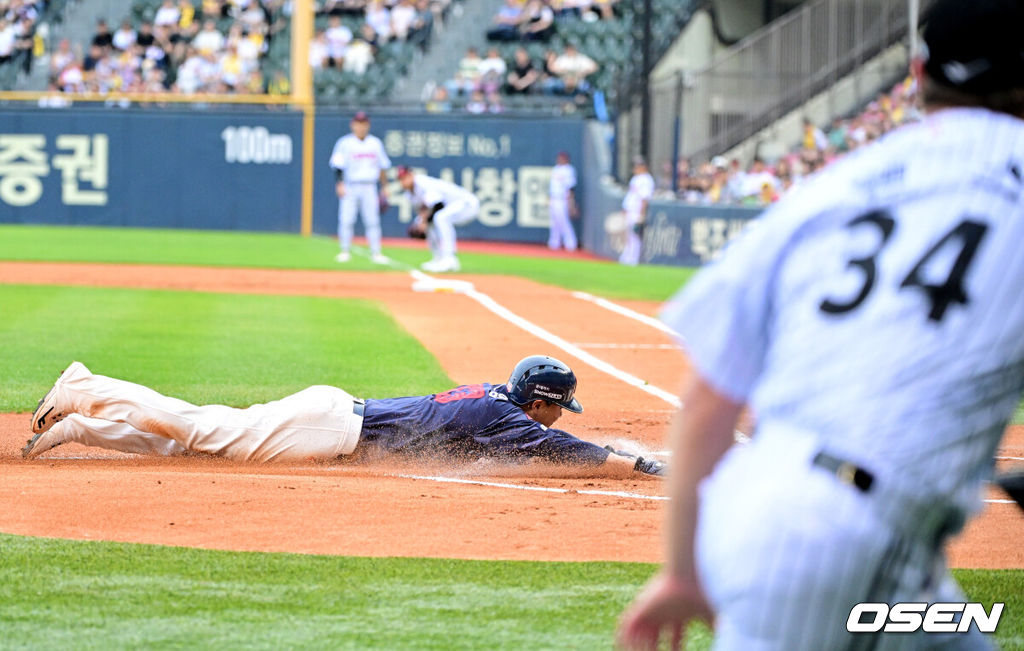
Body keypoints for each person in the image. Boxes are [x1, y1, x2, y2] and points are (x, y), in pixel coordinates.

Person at [618, 0, 1024, 648]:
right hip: (854, 531)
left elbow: (706, 401)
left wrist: (686, 571)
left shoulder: (841, 180)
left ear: (917, 73)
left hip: (768, 509)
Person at [23, 357, 666, 479]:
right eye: (559, 407)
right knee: (196, 429)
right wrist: (637, 462)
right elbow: (571, 453)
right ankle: (87, 389)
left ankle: (85, 428)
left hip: (332, 417)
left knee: (190, 449)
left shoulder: (496, 402)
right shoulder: (509, 420)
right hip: (328, 431)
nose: (560, 419)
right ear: (542, 401)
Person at [329, 111, 392, 264]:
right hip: (350, 185)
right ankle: (344, 251)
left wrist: (384, 186)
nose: (361, 127)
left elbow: (382, 167)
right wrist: (340, 183)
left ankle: (376, 252)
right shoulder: (344, 143)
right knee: (346, 219)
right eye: (358, 123)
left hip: (370, 186)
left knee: (372, 221)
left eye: (363, 123)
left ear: (368, 125)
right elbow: (338, 165)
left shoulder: (375, 143)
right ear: (353, 125)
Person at [397, 166, 479, 273]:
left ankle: (449, 259)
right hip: (451, 206)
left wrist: (424, 222)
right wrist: (420, 223)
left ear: (412, 175)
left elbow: (438, 205)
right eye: (401, 179)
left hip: (466, 204)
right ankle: (438, 258)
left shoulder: (422, 183)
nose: (403, 182)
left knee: (441, 218)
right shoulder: (409, 193)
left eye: (405, 178)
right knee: (426, 222)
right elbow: (423, 211)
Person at [618, 157, 654, 265]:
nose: (635, 168)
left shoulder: (647, 179)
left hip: (636, 212)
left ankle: (633, 260)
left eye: (638, 165)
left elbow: (644, 199)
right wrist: (624, 209)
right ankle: (626, 258)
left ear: (644, 166)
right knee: (628, 236)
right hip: (629, 210)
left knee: (635, 237)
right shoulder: (635, 178)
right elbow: (630, 197)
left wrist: (641, 215)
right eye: (635, 166)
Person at [548, 151, 578, 251]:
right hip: (554, 198)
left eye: (561, 158)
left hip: (562, 199)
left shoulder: (569, 170)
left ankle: (571, 243)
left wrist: (571, 203)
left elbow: (571, 187)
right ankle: (554, 242)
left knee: (563, 221)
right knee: (554, 222)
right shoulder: (556, 169)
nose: (559, 159)